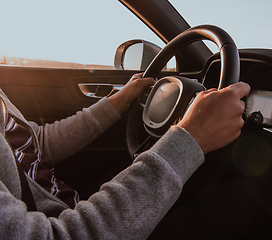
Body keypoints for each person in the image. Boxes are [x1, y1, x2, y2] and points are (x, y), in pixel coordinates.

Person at [0, 72, 250, 239]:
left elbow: (36, 142)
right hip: (64, 224)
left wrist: (118, 101)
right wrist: (191, 137)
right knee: (238, 197)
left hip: (67, 206)